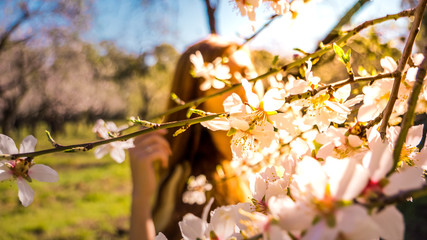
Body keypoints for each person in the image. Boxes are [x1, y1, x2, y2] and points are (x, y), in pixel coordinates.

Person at [128, 34, 258, 240]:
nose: (242, 87)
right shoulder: (184, 181)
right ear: (197, 102)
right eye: (222, 82)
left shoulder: (289, 147)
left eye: (246, 73)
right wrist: (141, 200)